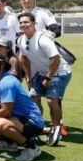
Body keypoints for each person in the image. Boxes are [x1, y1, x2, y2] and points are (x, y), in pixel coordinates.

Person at [16, 12, 71, 146]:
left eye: (26, 22)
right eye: (21, 23)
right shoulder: (21, 40)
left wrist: (48, 77)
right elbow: (23, 58)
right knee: (33, 98)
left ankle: (56, 130)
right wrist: (28, 75)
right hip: (41, 73)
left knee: (52, 101)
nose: (23, 25)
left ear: (34, 23)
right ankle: (37, 128)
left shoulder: (43, 39)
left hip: (59, 72)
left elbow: (55, 59)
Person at [0, 50, 44, 161]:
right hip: (20, 119)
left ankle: (32, 148)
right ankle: (10, 143)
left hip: (33, 123)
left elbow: (6, 111)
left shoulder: (6, 82)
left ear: (2, 65)